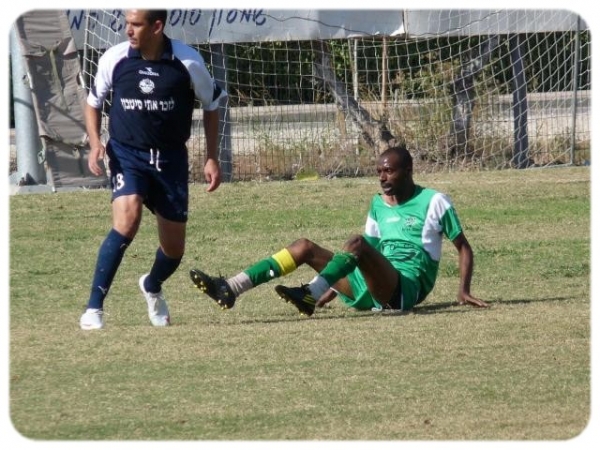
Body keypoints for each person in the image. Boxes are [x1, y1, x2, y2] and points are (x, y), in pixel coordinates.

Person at [189, 145, 488, 316]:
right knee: (304, 246)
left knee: (357, 242)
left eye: (389, 171)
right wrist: (334, 285)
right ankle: (232, 287)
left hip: (403, 289)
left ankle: (310, 292)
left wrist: (463, 290)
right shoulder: (378, 203)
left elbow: (463, 247)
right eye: (379, 172)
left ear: (408, 171)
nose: (382, 177)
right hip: (370, 285)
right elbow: (365, 254)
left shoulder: (435, 201)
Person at [79, 9, 227, 330]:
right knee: (127, 220)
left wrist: (211, 157)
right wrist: (95, 142)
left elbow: (212, 104)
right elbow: (93, 102)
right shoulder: (115, 58)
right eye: (127, 23)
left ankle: (152, 285)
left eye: (136, 24)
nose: (128, 30)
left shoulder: (188, 62)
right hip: (127, 154)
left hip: (170, 161)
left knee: (174, 249)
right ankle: (94, 308)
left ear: (157, 26)